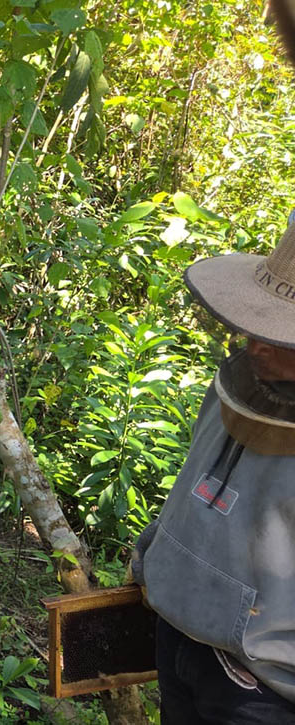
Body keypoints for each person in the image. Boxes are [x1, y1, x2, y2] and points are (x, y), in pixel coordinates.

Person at [131, 222, 295, 723]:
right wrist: (156, 550)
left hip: (264, 687)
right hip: (178, 634)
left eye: (276, 333)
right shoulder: (239, 383)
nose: (254, 343)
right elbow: (199, 485)